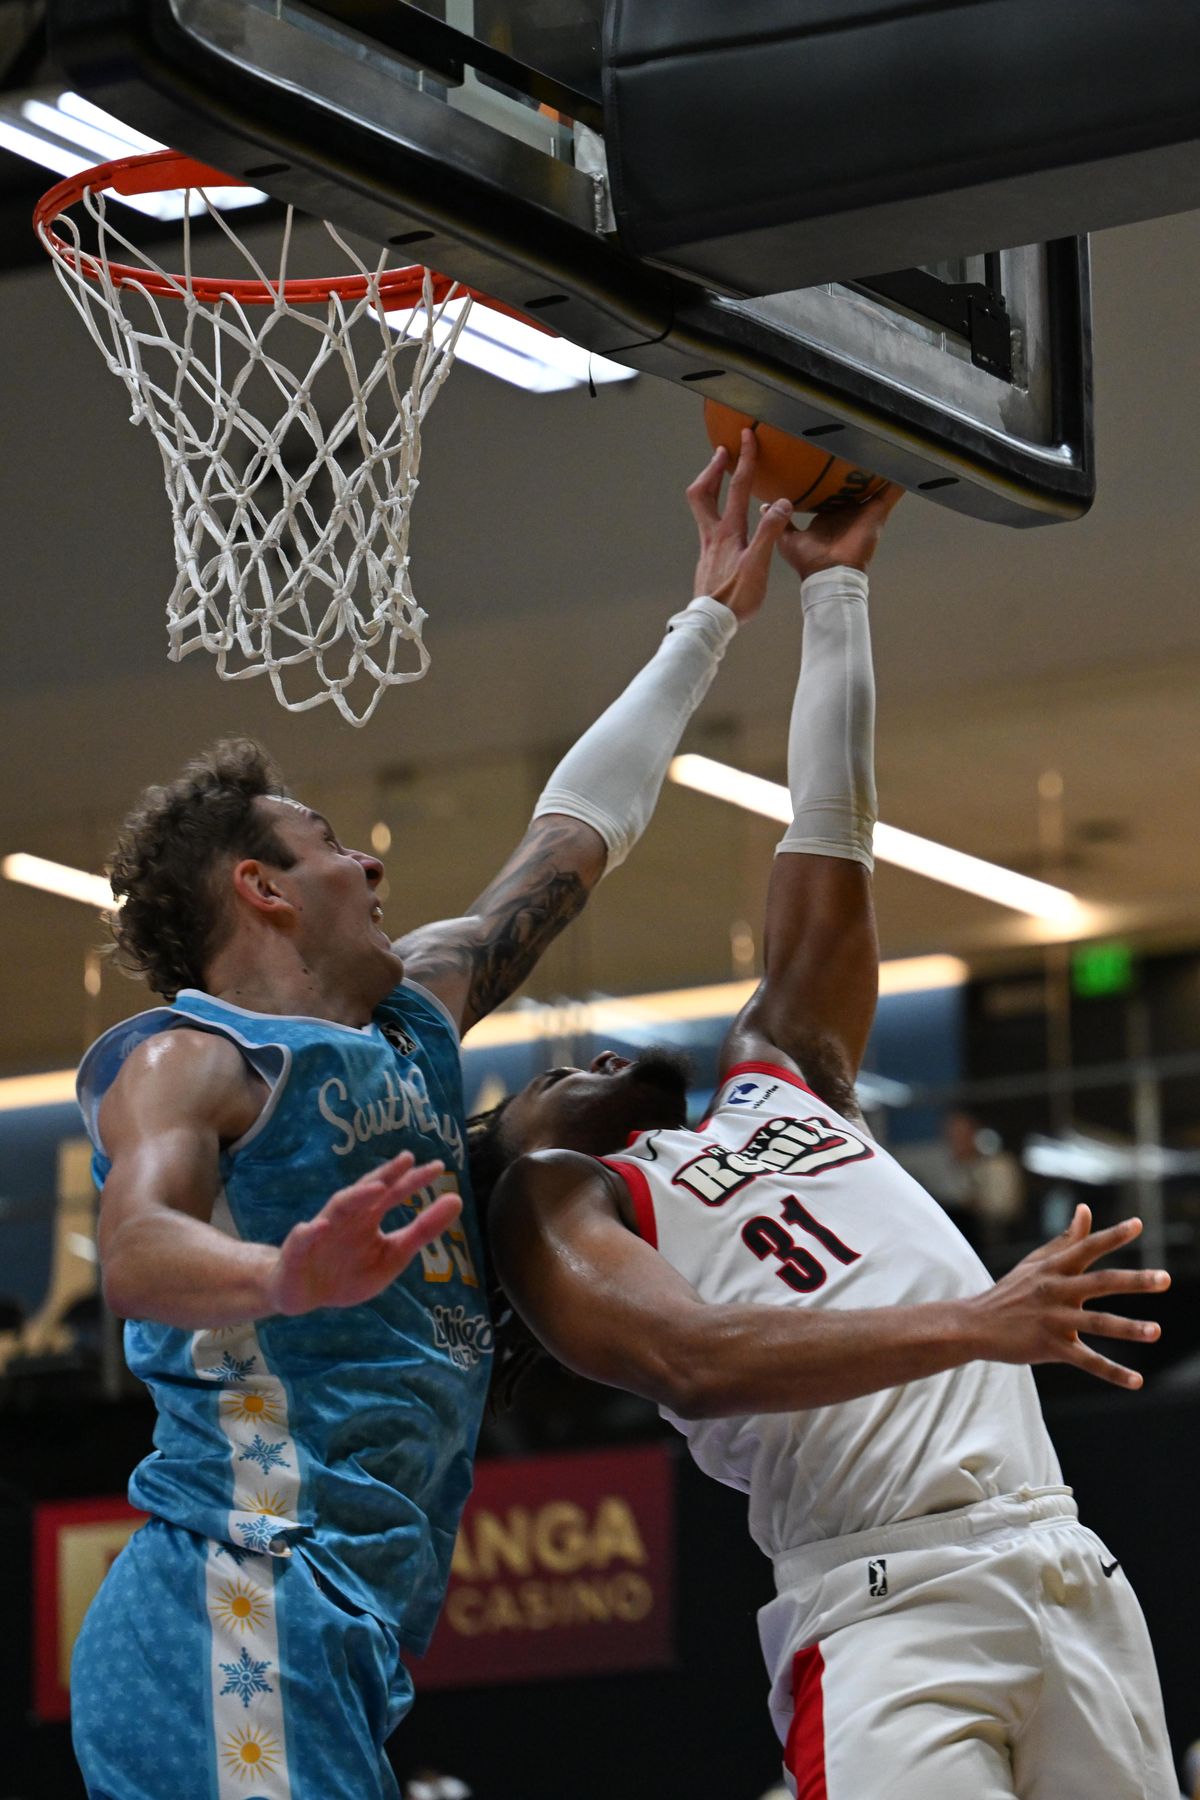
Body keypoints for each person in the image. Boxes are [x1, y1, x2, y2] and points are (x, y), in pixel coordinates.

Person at [69, 437, 797, 1800]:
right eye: (331, 843)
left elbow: (570, 842)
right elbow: (134, 1247)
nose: (371, 860)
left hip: (335, 1626)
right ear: (262, 889)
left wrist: (705, 622)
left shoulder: (410, 1019)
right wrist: (283, 1275)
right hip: (231, 1601)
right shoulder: (194, 1059)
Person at [482, 487, 1178, 1798]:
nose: (577, 1066)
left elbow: (829, 840)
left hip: (1061, 1559)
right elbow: (692, 1359)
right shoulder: (560, 1202)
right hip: (884, 1605)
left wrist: (836, 591)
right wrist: (976, 1323)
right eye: (539, 1084)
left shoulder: (779, 1077)